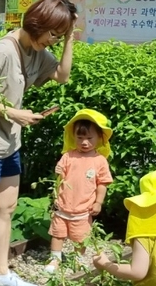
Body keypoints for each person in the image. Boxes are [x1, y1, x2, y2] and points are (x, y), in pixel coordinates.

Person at [0, 0, 77, 286]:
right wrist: (13, 112)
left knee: (5, 208)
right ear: (38, 23)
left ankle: (0, 272)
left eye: (59, 37)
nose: (54, 41)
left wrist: (71, 36)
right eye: (53, 34)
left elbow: (61, 76)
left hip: (11, 143)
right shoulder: (3, 52)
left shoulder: (34, 50)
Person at [45, 109, 114, 273]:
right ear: (73, 137)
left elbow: (102, 183)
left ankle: (78, 258)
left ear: (100, 138)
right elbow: (59, 178)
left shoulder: (99, 161)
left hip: (83, 208)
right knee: (57, 233)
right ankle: (55, 259)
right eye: (80, 138)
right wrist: (55, 196)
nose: (84, 142)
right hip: (62, 205)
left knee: (81, 237)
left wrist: (98, 202)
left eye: (89, 138)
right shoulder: (68, 156)